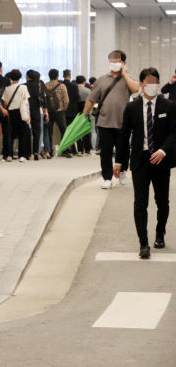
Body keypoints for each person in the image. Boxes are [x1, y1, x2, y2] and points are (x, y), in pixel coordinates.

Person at [114, 68, 176, 259]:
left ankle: (160, 233)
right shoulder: (132, 107)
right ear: (141, 84)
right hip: (140, 161)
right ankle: (143, 243)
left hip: (161, 161)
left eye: (156, 81)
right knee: (140, 203)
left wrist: (163, 150)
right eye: (149, 81)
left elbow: (174, 133)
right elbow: (124, 136)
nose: (153, 85)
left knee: (162, 202)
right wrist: (119, 161)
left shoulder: (169, 106)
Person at [82, 50, 141, 189]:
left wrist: (125, 73)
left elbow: (136, 89)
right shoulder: (102, 80)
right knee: (106, 152)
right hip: (104, 122)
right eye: (112, 60)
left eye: (118, 61)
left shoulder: (128, 78)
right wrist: (84, 115)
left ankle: (122, 171)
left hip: (123, 122)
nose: (115, 63)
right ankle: (107, 177)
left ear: (123, 63)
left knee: (124, 150)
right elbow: (91, 99)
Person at [2, 69, 31, 162]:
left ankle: (9, 155)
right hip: (21, 112)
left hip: (10, 113)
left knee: (10, 134)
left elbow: (5, 103)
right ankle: (22, 155)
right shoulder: (23, 87)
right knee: (23, 134)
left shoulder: (7, 88)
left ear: (10, 77)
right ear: (20, 77)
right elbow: (26, 102)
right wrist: (28, 114)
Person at [45, 69, 70, 158]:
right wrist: (63, 108)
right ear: (57, 76)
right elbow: (66, 100)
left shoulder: (45, 85)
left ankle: (49, 151)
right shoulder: (62, 86)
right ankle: (65, 150)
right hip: (59, 112)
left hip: (48, 112)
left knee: (49, 132)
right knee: (64, 130)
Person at [25, 70, 48, 160]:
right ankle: (36, 152)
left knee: (26, 132)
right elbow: (44, 99)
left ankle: (26, 153)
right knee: (37, 132)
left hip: (27, 110)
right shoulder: (39, 86)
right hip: (36, 110)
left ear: (27, 76)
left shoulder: (23, 86)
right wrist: (45, 111)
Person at [0, 61, 13, 161]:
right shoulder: (6, 79)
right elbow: (8, 94)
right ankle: (7, 154)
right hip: (4, 107)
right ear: (1, 69)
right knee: (7, 132)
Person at [62, 69, 81, 154]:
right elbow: (77, 98)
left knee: (64, 130)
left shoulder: (61, 85)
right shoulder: (74, 86)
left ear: (63, 76)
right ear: (70, 76)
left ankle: (65, 148)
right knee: (72, 130)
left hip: (63, 111)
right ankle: (74, 149)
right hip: (73, 110)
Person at [76, 75, 93, 155]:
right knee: (87, 130)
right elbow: (90, 102)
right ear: (84, 82)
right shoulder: (88, 90)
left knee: (78, 130)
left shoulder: (75, 90)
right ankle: (87, 149)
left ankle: (80, 149)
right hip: (86, 111)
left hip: (77, 112)